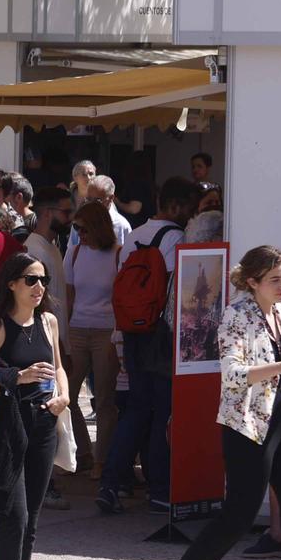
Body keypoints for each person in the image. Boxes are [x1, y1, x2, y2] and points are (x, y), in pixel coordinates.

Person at [154, 246, 281, 560]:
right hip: (246, 424)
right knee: (239, 515)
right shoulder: (234, 316)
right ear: (253, 281)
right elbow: (233, 375)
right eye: (275, 279)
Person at [96, 176, 198, 515]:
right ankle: (159, 490)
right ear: (178, 205)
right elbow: (172, 295)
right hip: (162, 335)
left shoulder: (135, 234)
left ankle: (110, 483)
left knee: (136, 409)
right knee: (162, 413)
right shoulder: (176, 237)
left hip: (133, 332)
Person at [0, 251, 70, 560]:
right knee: (13, 513)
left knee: (32, 515)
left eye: (43, 280)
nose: (39, 287)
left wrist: (63, 397)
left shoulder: (48, 321)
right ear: (12, 283)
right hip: (10, 423)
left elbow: (60, 367)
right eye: (31, 279)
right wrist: (18, 376)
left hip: (44, 420)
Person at [61, 198, 120, 477]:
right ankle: (83, 452)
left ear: (98, 228)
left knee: (105, 399)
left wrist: (116, 337)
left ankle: (101, 460)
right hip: (78, 328)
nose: (79, 235)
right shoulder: (73, 253)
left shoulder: (118, 254)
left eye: (84, 229)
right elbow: (69, 297)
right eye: (76, 229)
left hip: (105, 331)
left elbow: (120, 298)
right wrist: (65, 335)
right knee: (67, 395)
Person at [24, 185, 72, 318]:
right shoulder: (34, 251)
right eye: (66, 212)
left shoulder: (52, 248)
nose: (71, 218)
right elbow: (37, 305)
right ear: (47, 213)